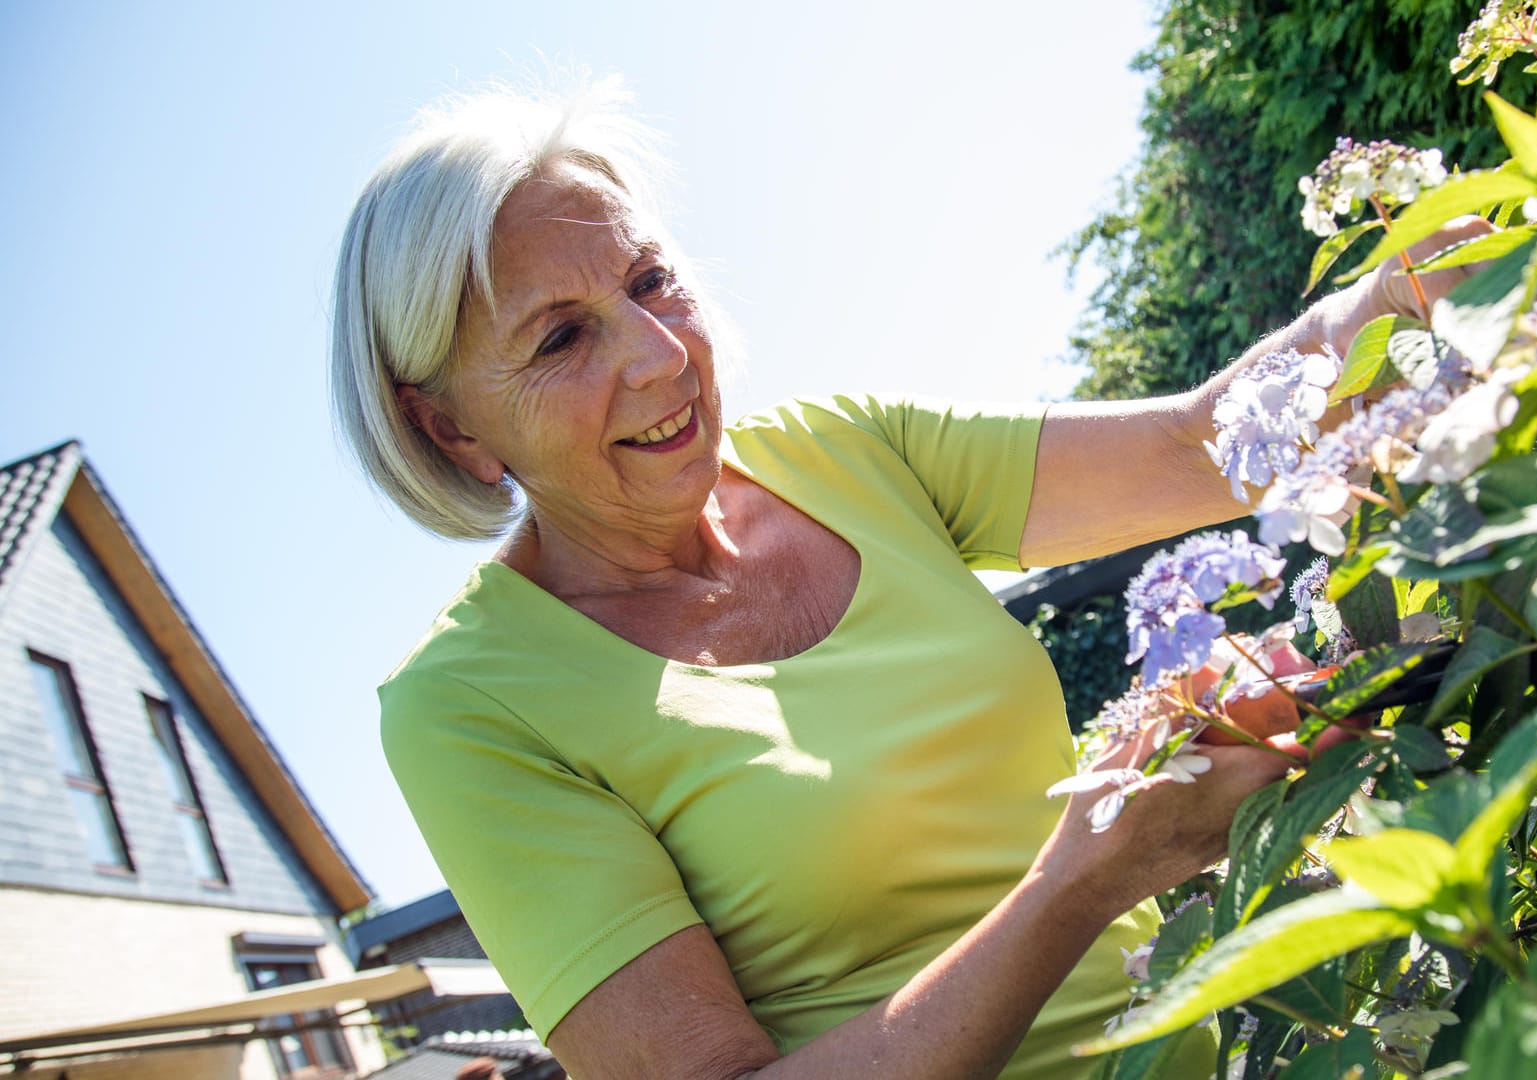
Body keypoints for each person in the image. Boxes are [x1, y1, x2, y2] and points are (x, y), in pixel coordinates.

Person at [332, 79, 1467, 1079]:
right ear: (452, 432)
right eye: (559, 340)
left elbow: (1197, 443)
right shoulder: (471, 704)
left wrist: (1408, 294)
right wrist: (1080, 883)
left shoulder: (847, 455)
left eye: (650, 279)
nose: (660, 353)